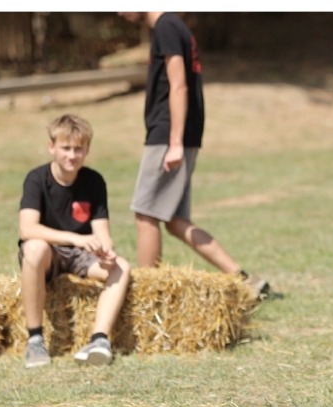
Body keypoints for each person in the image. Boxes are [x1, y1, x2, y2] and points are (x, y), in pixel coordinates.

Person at [118, 12, 269, 300]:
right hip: (179, 134)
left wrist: (174, 142)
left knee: (146, 214)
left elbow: (179, 85)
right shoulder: (176, 27)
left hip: (168, 135)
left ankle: (146, 297)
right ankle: (244, 281)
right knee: (175, 221)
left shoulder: (166, 27)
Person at [18, 114, 131, 368]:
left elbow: (101, 229)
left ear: (87, 150)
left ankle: (99, 339)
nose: (72, 155)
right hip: (49, 254)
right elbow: (27, 229)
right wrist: (75, 238)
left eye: (78, 149)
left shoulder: (94, 181)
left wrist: (106, 251)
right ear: (52, 148)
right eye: (65, 148)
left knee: (121, 267)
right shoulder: (36, 179)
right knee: (34, 248)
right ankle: (35, 340)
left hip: (81, 254)